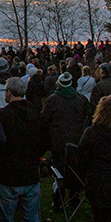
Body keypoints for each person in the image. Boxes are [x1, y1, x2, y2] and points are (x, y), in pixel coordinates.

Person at [0, 77, 50, 222]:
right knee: (31, 221)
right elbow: (45, 141)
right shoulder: (37, 115)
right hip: (29, 175)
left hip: (8, 177)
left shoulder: (2, 116)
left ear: (8, 92)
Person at [42, 72, 90, 209]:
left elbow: (44, 118)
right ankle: (73, 200)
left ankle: (59, 201)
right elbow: (89, 113)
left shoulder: (52, 100)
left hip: (58, 142)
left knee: (59, 173)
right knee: (75, 170)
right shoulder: (81, 99)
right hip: (76, 141)